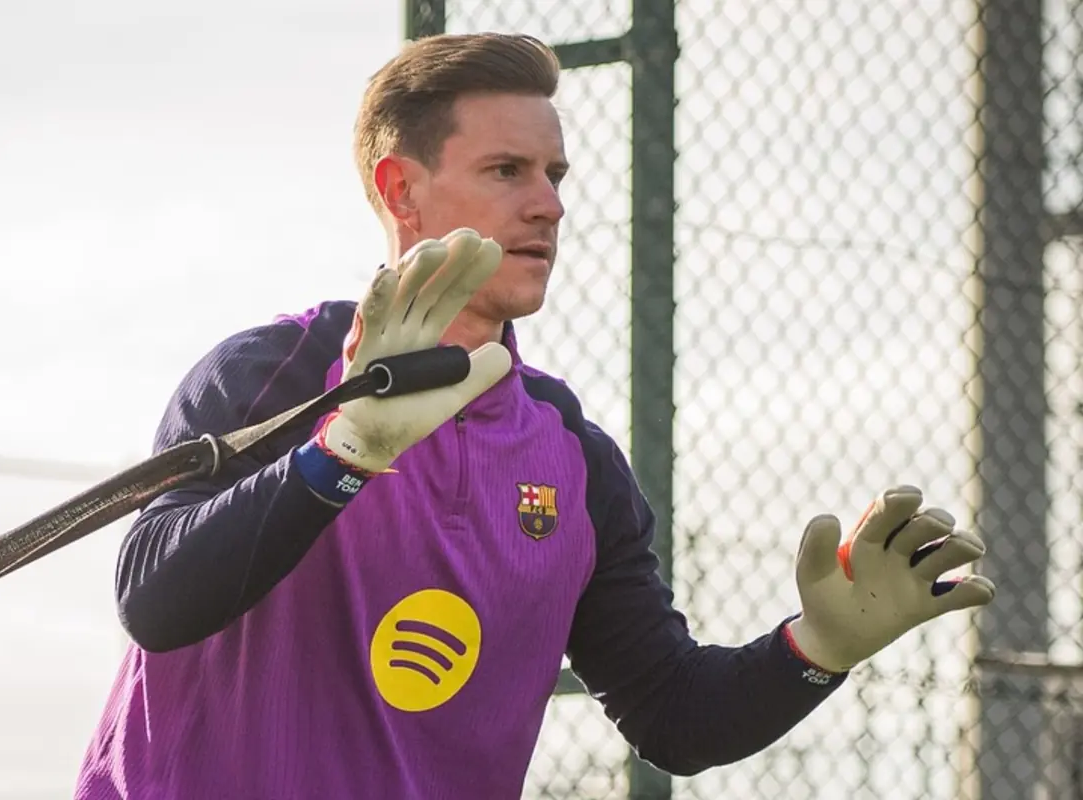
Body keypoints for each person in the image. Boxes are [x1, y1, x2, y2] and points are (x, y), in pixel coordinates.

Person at [73, 32, 996, 800]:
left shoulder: (572, 455)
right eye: (507, 170)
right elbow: (154, 599)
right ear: (400, 190)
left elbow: (673, 714)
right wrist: (342, 450)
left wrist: (818, 647)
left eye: (555, 174)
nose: (548, 204)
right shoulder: (271, 376)